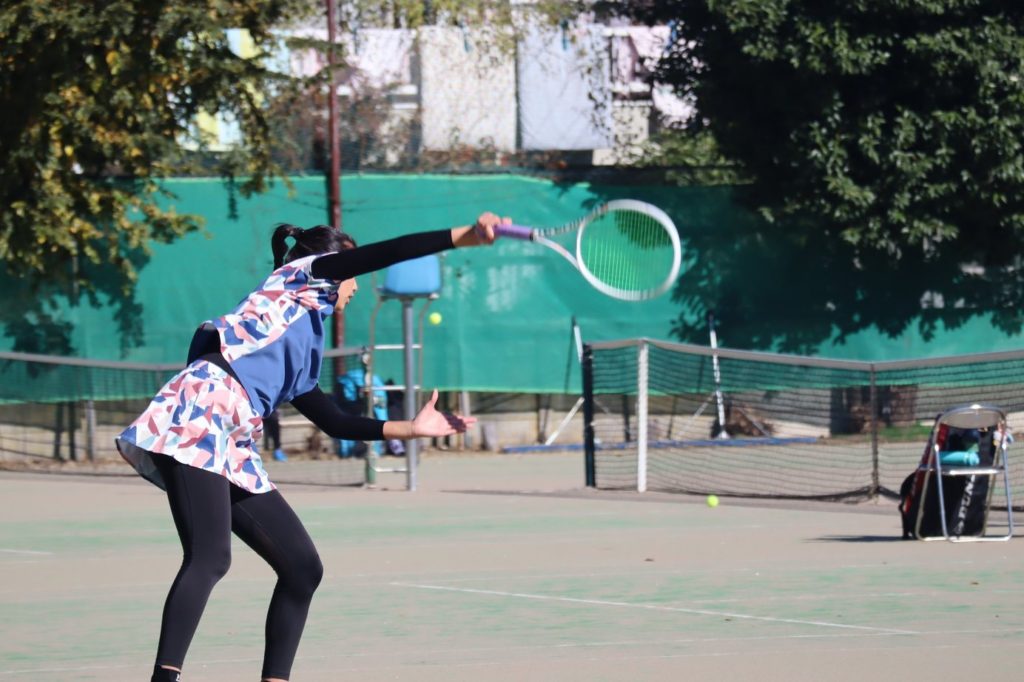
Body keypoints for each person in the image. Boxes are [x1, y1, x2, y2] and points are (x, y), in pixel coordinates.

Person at [115, 213, 505, 682]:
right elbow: (392, 250)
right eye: (354, 273)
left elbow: (335, 421)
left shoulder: (301, 341)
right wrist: (466, 237)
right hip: (203, 409)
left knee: (302, 567)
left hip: (232, 433)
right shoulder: (304, 275)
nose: (356, 285)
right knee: (210, 556)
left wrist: (413, 428)